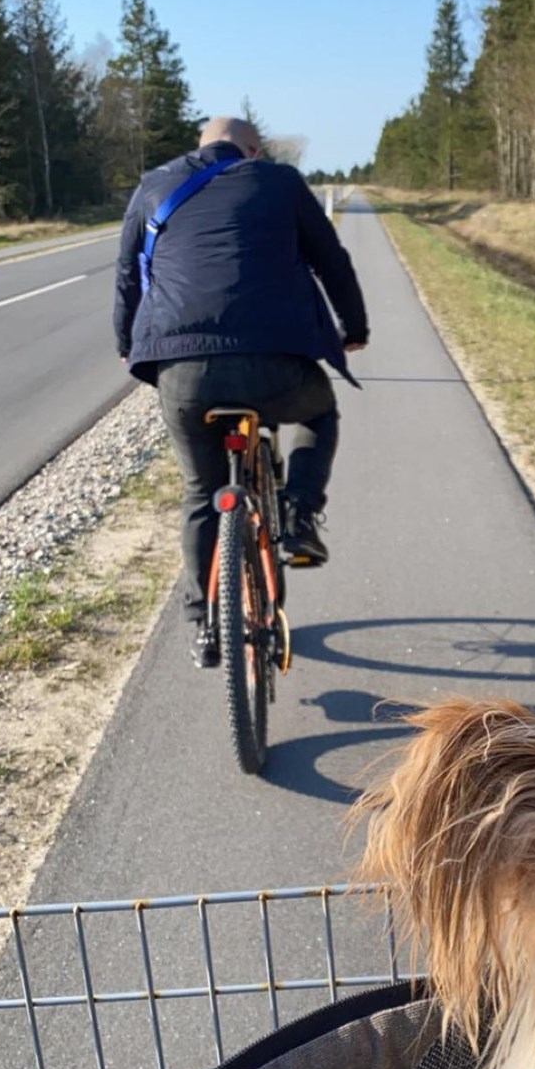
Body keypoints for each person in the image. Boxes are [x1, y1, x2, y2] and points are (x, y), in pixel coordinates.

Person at [113, 116, 369, 667]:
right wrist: (356, 328)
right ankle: (300, 517)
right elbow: (331, 261)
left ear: (201, 146)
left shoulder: (154, 184)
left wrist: (124, 342)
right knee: (318, 413)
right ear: (252, 151)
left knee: (201, 490)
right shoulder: (277, 181)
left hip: (183, 372)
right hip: (276, 362)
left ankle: (203, 624)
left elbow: (128, 276)